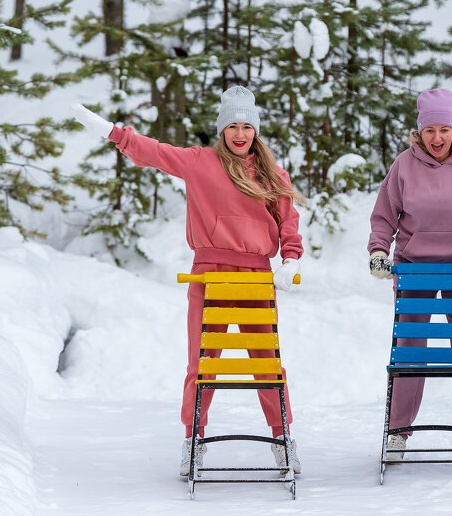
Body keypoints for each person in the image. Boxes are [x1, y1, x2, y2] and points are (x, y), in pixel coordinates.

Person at [72, 86, 304, 478]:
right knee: (202, 364)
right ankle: (193, 441)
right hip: (209, 275)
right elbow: (155, 152)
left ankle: (283, 440)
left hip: (255, 279)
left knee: (267, 362)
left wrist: (290, 261)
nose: (240, 133)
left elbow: (289, 222)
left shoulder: (271, 173)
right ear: (222, 128)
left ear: (256, 131)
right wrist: (113, 131)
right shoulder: (201, 162)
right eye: (233, 125)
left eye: (247, 125)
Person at [367, 88, 452, 462]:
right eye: (430, 130)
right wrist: (379, 251)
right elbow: (384, 217)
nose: (437, 138)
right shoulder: (403, 166)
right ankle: (398, 431)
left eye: (444, 129)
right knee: (410, 350)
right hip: (415, 269)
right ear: (420, 131)